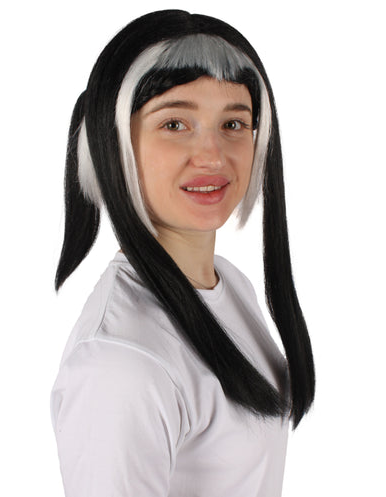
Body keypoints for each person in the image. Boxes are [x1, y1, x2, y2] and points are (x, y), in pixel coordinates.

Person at [51, 9, 315, 497]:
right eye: (175, 123)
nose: (213, 155)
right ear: (114, 143)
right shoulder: (121, 362)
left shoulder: (230, 285)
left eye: (234, 123)